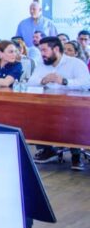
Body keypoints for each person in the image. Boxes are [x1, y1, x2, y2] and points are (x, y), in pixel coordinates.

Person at [29, 37, 90, 170]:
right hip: (48, 105)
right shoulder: (42, 64)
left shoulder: (75, 63)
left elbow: (86, 83)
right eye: (41, 50)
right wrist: (43, 81)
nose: (42, 54)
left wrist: (64, 81)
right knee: (33, 114)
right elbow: (31, 81)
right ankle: (47, 149)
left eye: (44, 50)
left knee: (73, 119)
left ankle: (76, 154)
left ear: (56, 49)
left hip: (74, 106)